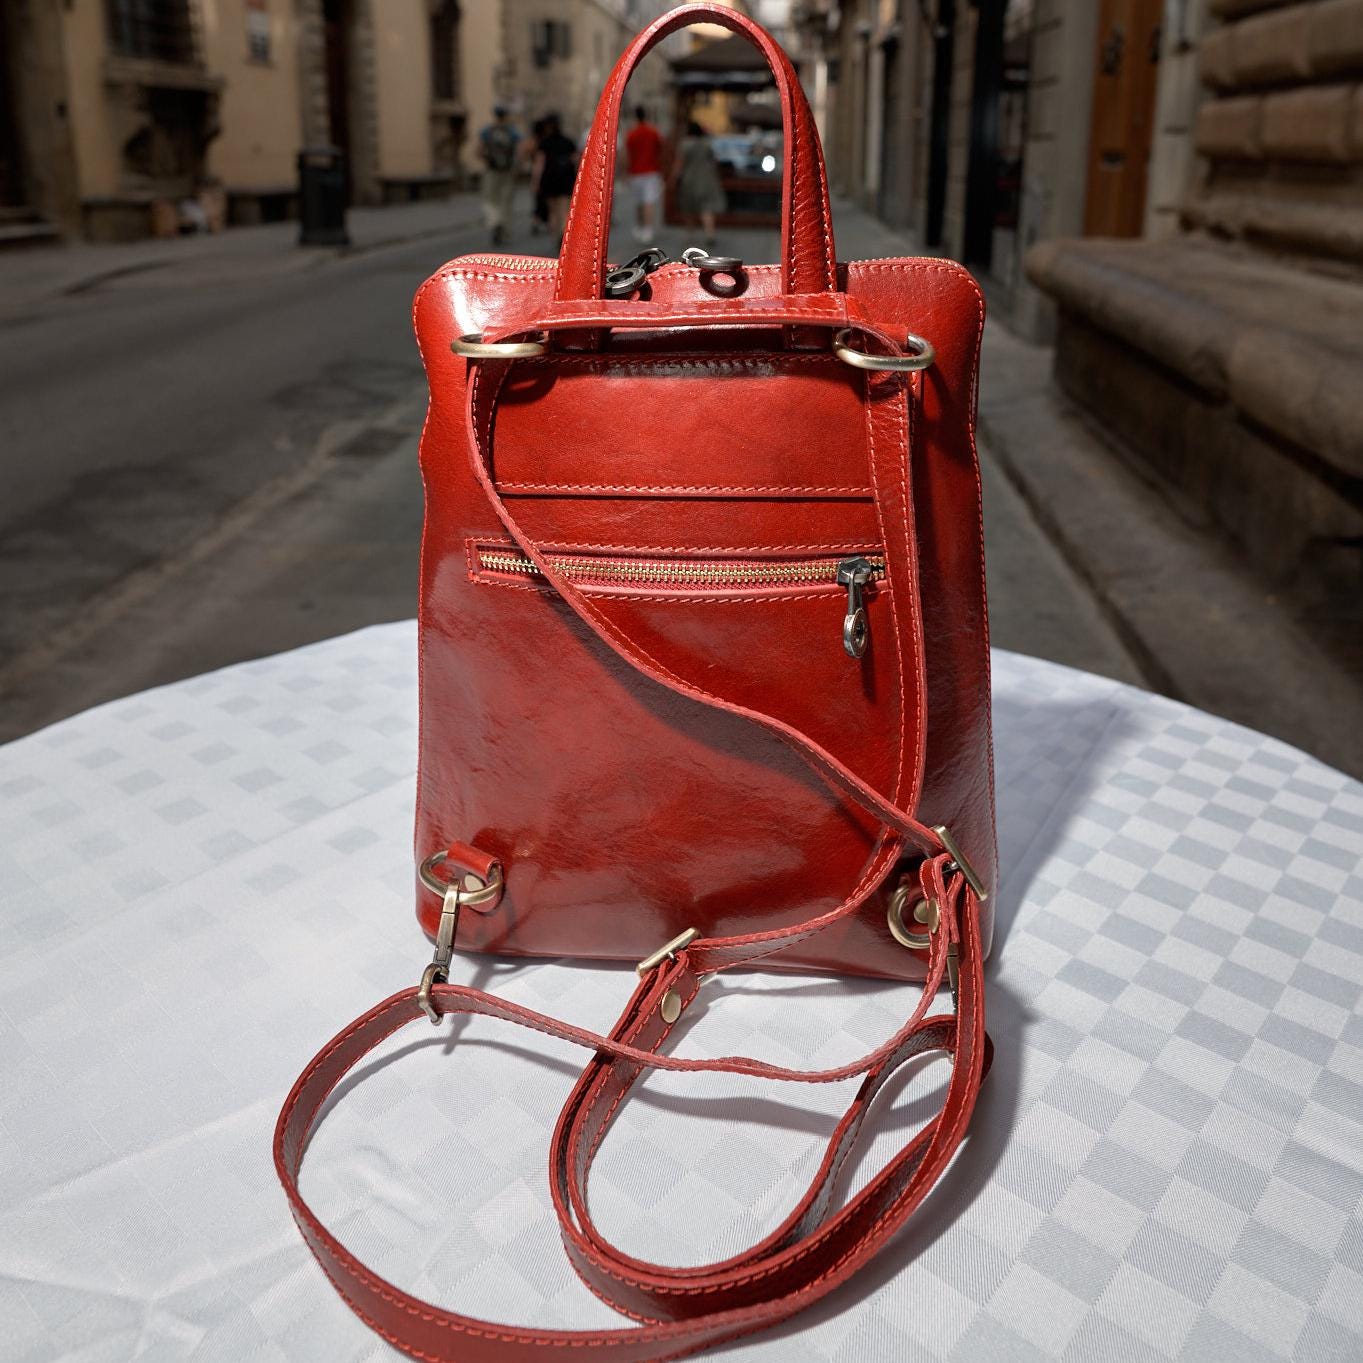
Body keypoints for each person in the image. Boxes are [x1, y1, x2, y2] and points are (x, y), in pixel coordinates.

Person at [673, 121, 726, 247]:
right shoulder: (707, 143)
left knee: (689, 207)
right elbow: (714, 161)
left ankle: (690, 233)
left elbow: (679, 163)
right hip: (707, 179)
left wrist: (674, 178)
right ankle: (710, 233)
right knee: (706, 208)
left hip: (689, 179)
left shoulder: (685, 144)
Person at [533, 113, 578, 244]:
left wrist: (536, 182)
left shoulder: (544, 143)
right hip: (566, 179)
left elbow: (539, 164)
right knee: (564, 210)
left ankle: (556, 234)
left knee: (552, 211)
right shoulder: (568, 142)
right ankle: (563, 234)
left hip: (549, 180)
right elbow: (576, 161)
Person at [479, 106, 520, 245]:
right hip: (507, 171)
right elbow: (520, 150)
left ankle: (494, 221)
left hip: (491, 171)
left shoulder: (487, 131)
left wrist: (486, 160)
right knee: (506, 201)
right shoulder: (512, 132)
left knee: (490, 199)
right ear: (506, 116)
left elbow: (478, 150)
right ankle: (503, 226)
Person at [624, 105, 664, 244]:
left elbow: (627, 155)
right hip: (651, 171)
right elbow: (661, 150)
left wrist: (626, 172)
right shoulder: (653, 132)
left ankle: (640, 227)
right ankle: (648, 229)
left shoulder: (631, 134)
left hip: (635, 172)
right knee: (649, 201)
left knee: (639, 202)